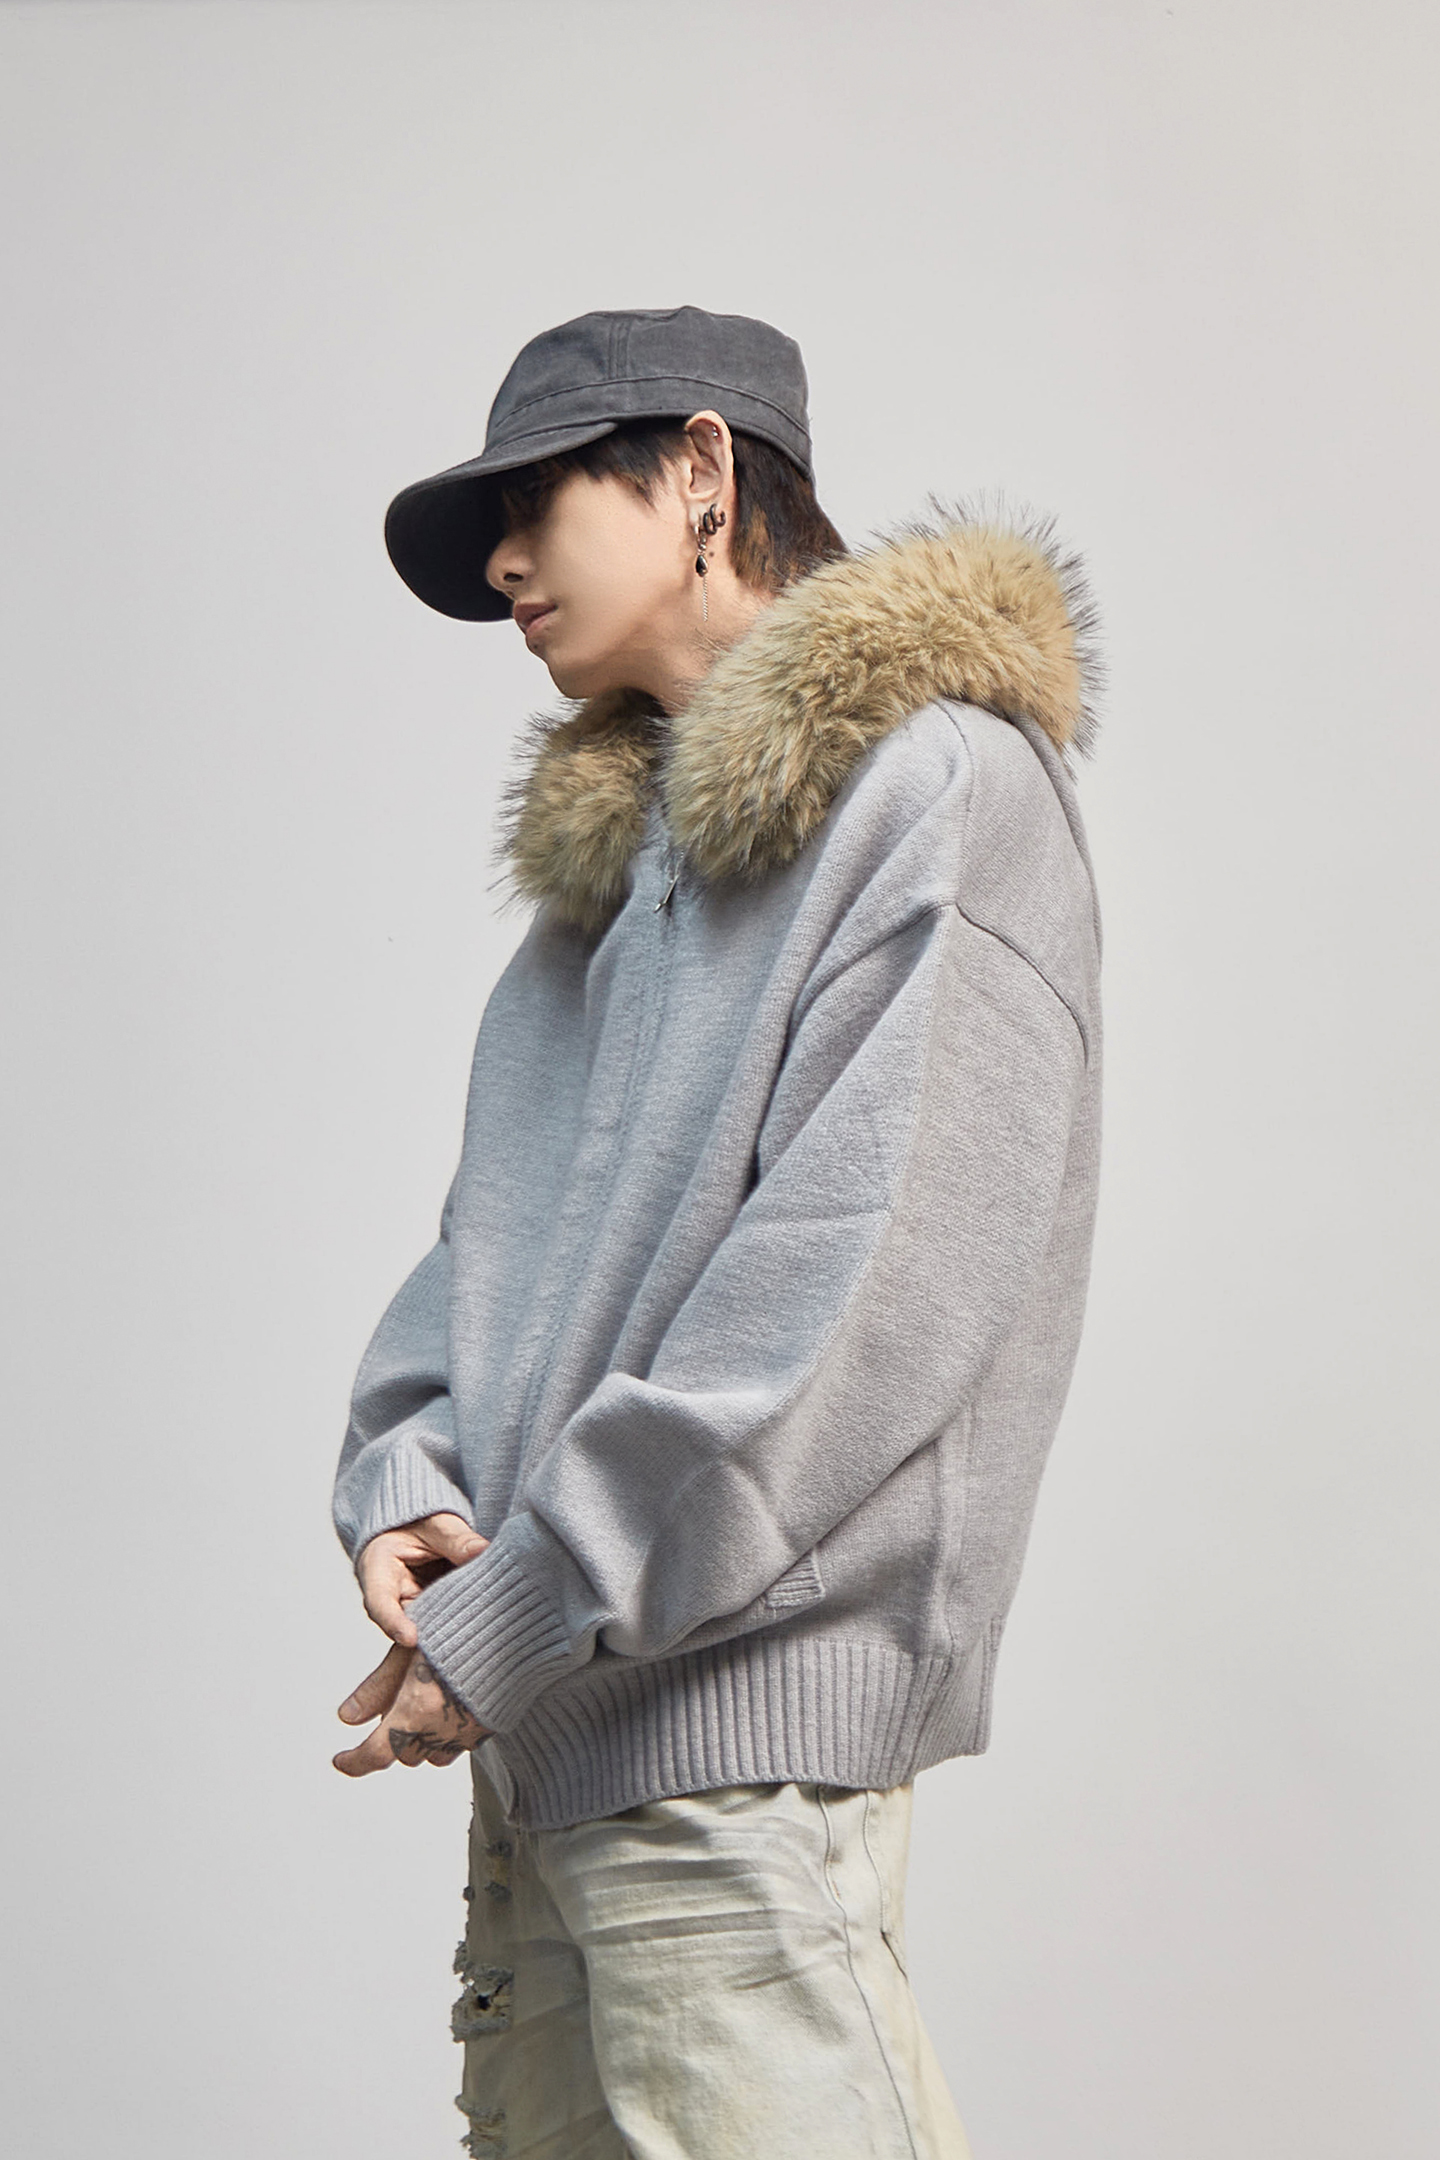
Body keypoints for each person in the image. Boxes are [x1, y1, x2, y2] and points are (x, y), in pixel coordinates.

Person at [330, 305, 1102, 2160]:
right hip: (545, 1749)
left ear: (699, 470)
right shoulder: (606, 885)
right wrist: (409, 1476)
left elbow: (847, 1308)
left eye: (535, 502)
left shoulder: (943, 791)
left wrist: (525, 1599)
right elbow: (490, 1249)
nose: (502, 563)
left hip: (739, 1761)